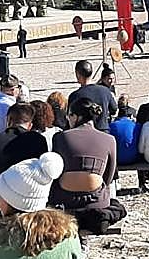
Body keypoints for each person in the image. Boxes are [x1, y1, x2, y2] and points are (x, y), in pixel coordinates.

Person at [50, 97, 118, 230]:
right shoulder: (109, 139)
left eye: (69, 115)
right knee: (116, 205)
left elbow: (55, 171)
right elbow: (109, 176)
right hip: (96, 200)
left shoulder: (60, 137)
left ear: (76, 117)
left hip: (64, 199)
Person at [0, 103, 48, 191]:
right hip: (29, 192)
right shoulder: (38, 140)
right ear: (30, 124)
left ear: (8, 120)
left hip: (0, 193)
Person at [67, 61, 114, 131]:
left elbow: (70, 117)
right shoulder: (105, 90)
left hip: (83, 133)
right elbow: (114, 109)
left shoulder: (75, 95)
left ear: (78, 74)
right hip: (103, 131)